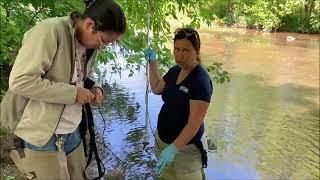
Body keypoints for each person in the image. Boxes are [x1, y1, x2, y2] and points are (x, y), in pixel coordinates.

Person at [0, 0, 126, 179]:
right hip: (40, 134)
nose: (102, 47)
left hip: (73, 131)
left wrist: (95, 87)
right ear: (90, 25)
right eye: (104, 41)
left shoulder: (90, 44)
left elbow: (78, 76)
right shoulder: (49, 31)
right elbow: (21, 81)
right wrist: (74, 94)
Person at [144, 28, 213, 180]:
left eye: (186, 50)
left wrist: (173, 149)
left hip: (186, 153)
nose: (179, 55)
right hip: (163, 143)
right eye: (177, 49)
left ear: (197, 51)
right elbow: (156, 88)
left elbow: (193, 125)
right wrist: (152, 62)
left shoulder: (201, 81)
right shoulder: (175, 70)